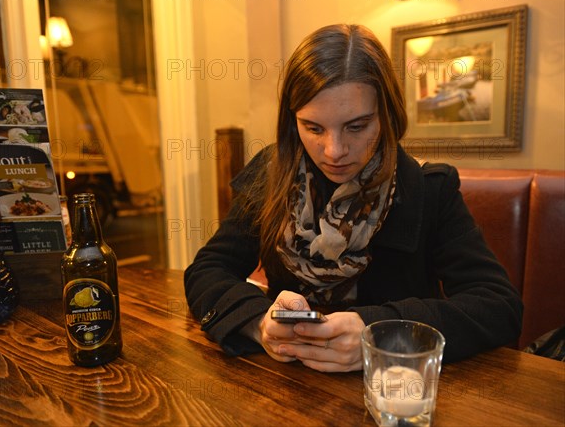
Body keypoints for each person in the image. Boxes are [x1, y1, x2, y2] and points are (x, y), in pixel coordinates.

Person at [184, 24, 523, 372]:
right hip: (286, 387)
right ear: (292, 122)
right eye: (313, 128)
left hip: (393, 394)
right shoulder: (269, 174)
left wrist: (378, 334)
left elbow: (498, 306)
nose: (334, 151)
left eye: (356, 126)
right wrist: (259, 325)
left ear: (387, 114)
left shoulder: (428, 188)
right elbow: (208, 269)